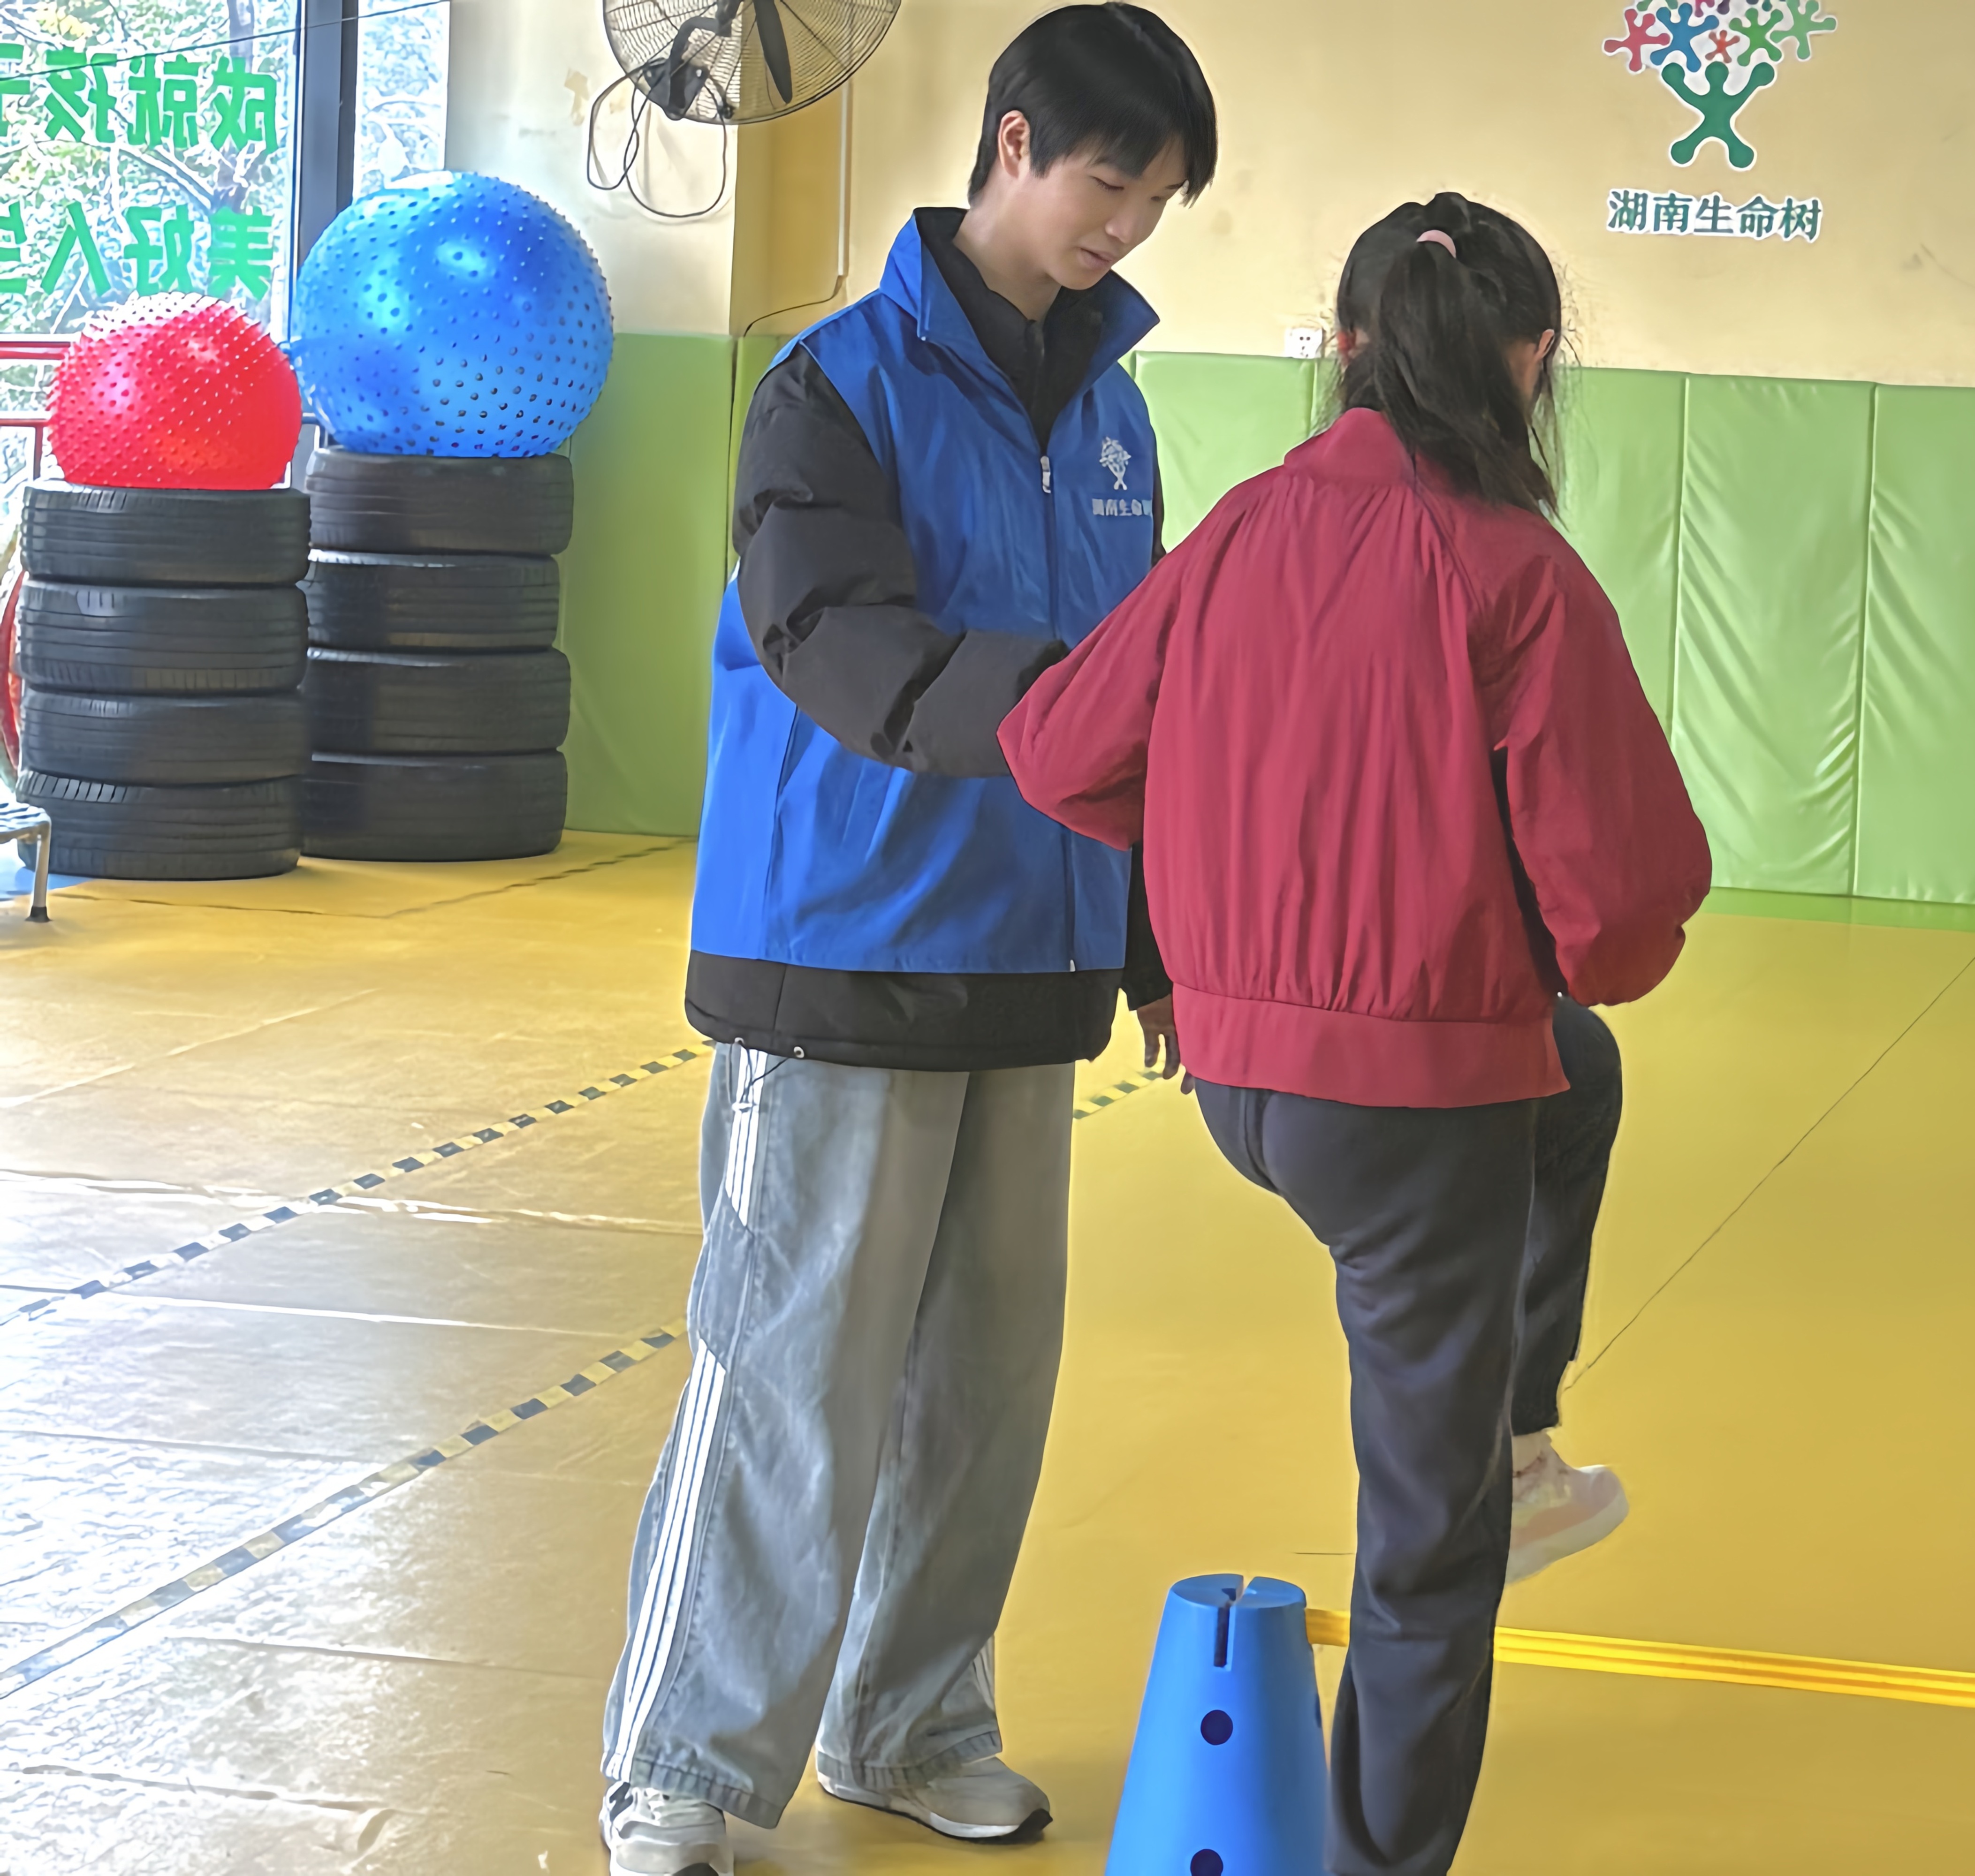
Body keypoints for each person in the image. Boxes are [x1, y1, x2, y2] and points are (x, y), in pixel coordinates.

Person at [1003, 193, 1710, 1876]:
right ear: (1533, 362)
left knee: (1578, 1079)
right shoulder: (1520, 573)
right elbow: (1623, 915)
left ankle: (1519, 1434)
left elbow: (1057, 751)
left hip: (1240, 1079)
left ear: (1343, 350)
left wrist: (1225, 870)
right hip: (1407, 1114)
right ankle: (1384, 1845)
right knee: (1426, 1555)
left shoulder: (1242, 526)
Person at [595, 11, 1215, 1874]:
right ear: (1013, 143)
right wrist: (1055, 707)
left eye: (1160, 202)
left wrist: (1158, 941)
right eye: (1110, 181)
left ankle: (914, 1719)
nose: (1129, 226)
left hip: (1033, 955)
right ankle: (685, 1768)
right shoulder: (831, 387)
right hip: (844, 949)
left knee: (982, 1396)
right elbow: (835, 640)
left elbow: (1147, 712)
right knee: (791, 1381)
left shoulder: (1114, 417)